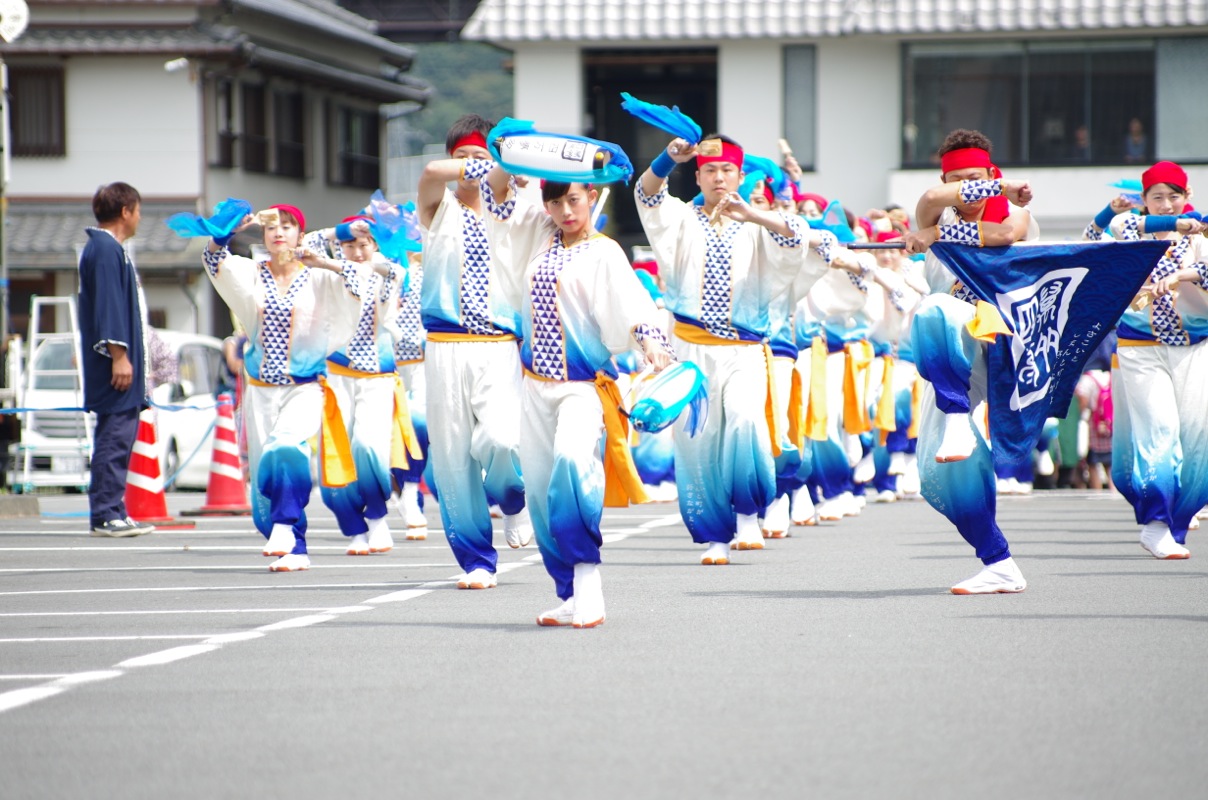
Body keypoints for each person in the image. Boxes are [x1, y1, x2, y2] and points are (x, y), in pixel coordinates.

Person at [481, 170, 674, 627]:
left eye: (573, 200)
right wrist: (510, 158)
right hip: (532, 384)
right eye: (555, 203)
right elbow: (497, 197)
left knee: (572, 465)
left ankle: (590, 585)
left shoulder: (605, 251)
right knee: (544, 496)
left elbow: (631, 300)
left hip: (583, 386)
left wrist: (649, 340)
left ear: (591, 196)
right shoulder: (538, 237)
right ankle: (567, 593)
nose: (565, 212)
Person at [634, 133, 830, 565]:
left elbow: (798, 235)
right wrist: (668, 160)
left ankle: (746, 515)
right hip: (691, 348)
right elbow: (647, 196)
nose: (719, 177)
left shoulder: (757, 221)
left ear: (739, 175)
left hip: (744, 349)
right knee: (698, 441)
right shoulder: (682, 218)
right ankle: (715, 538)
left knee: (744, 420)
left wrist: (756, 215)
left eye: (727, 170)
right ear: (698, 176)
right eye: (709, 170)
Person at [203, 205, 394, 572]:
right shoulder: (251, 273)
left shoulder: (319, 277)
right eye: (272, 227)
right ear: (263, 236)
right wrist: (228, 230)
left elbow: (364, 281)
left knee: (287, 446)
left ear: (300, 236)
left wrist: (325, 261)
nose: (279, 233)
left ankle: (286, 524)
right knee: (263, 475)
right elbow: (214, 260)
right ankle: (296, 545)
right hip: (259, 389)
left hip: (305, 387)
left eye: (288, 227)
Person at [902, 128, 1037, 594]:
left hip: (1008, 341)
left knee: (934, 307)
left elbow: (1002, 234)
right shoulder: (929, 208)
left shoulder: (1015, 212)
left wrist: (936, 234)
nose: (968, 188)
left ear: (991, 173)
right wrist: (936, 219)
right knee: (937, 473)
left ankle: (1165, 517)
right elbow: (932, 198)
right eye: (957, 179)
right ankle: (999, 562)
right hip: (954, 352)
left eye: (976, 178)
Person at [418, 113, 532, 591]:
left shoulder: (520, 211)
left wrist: (517, 171)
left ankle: (511, 499)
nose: (468, 166)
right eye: (461, 157)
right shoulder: (437, 210)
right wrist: (478, 169)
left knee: (503, 439)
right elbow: (428, 174)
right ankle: (476, 561)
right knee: (450, 459)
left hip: (498, 347)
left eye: (479, 157)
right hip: (444, 347)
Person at [1107, 160, 1208, 558]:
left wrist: (1183, 275)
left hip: (1194, 345)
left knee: (1195, 438)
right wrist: (1175, 228)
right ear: (1145, 201)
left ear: (1188, 197)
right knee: (1158, 431)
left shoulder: (1202, 233)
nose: (1167, 204)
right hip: (1140, 348)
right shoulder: (1131, 230)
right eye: (1157, 197)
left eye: (1174, 196)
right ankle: (1155, 523)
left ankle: (1178, 519)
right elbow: (1117, 227)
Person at [307, 215, 408, 557]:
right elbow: (306, 245)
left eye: (364, 244)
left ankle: (378, 518)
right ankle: (355, 528)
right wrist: (338, 232)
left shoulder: (386, 272)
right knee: (339, 453)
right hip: (336, 375)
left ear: (375, 246)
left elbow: (395, 273)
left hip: (376, 377)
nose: (357, 252)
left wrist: (369, 234)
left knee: (368, 446)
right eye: (349, 246)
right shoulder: (326, 275)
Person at [77, 182, 154, 538]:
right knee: (115, 434)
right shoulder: (106, 249)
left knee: (119, 434)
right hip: (114, 363)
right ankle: (106, 513)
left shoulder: (105, 248)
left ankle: (114, 508)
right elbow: (108, 306)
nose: (139, 217)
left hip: (116, 361)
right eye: (137, 210)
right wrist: (119, 357)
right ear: (125, 211)